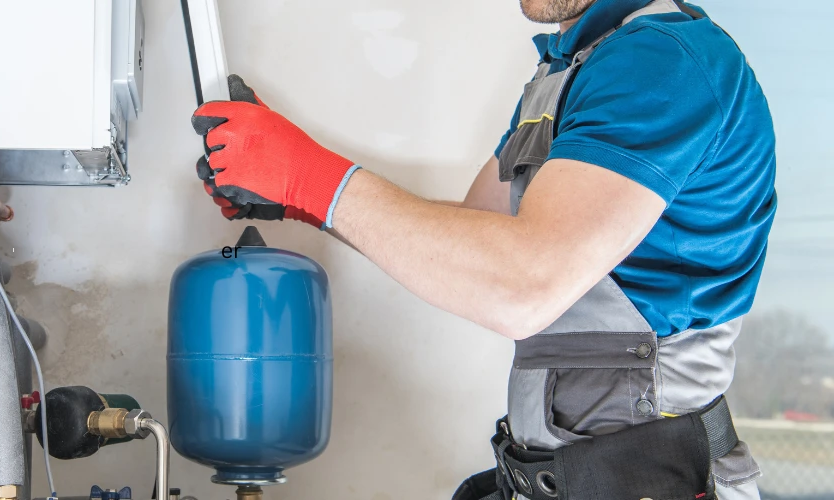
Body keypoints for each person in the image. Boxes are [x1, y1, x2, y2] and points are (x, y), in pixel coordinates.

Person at [188, 0, 776, 498]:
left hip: (651, 476)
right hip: (572, 474)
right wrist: (300, 200)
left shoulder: (662, 61)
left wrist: (312, 177)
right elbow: (471, 236)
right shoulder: (575, 67)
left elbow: (522, 283)